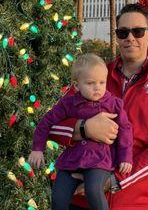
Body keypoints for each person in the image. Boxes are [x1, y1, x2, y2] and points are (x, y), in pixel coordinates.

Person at [49, 4, 148, 210]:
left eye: (138, 31)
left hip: (133, 201)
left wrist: (116, 180)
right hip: (79, 200)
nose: (130, 38)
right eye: (123, 32)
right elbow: (52, 123)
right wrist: (83, 129)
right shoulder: (93, 75)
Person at [29, 54, 132, 210]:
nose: (97, 87)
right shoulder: (69, 103)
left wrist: (125, 157)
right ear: (76, 86)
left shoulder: (113, 104)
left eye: (102, 82)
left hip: (100, 159)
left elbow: (125, 130)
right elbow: (46, 122)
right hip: (72, 159)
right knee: (58, 197)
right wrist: (37, 149)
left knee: (93, 190)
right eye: (90, 83)